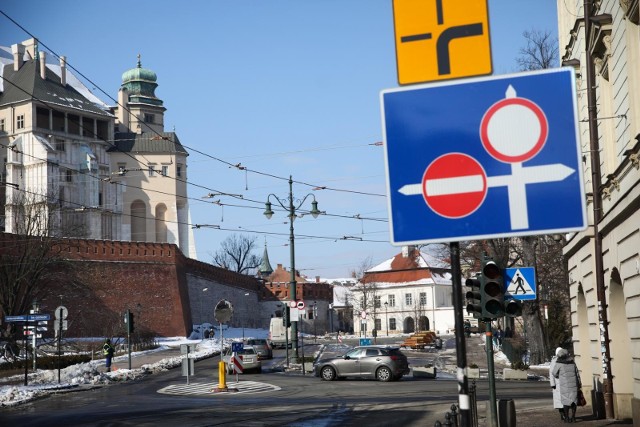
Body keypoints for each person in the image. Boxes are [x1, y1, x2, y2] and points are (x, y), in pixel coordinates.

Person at [551, 348, 582, 423]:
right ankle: (573, 417)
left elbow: (554, 373)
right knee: (574, 401)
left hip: (564, 385)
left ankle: (567, 418)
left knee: (566, 402)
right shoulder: (572, 363)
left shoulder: (559, 363)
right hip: (573, 384)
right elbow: (577, 374)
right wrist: (579, 383)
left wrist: (559, 376)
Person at [550, 347, 566, 421]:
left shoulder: (561, 360)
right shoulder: (554, 361)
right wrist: (553, 383)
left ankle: (563, 414)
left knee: (562, 400)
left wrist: (552, 384)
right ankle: (562, 414)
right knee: (560, 400)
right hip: (558, 383)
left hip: (559, 383)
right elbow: (551, 373)